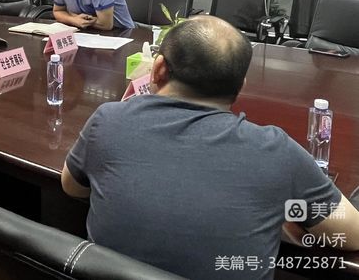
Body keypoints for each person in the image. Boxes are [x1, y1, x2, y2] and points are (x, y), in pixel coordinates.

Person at [61, 16, 359, 279]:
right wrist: (286, 208)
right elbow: (352, 234)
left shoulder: (109, 119)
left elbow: (72, 187)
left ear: (158, 69)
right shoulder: (275, 151)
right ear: (240, 85)